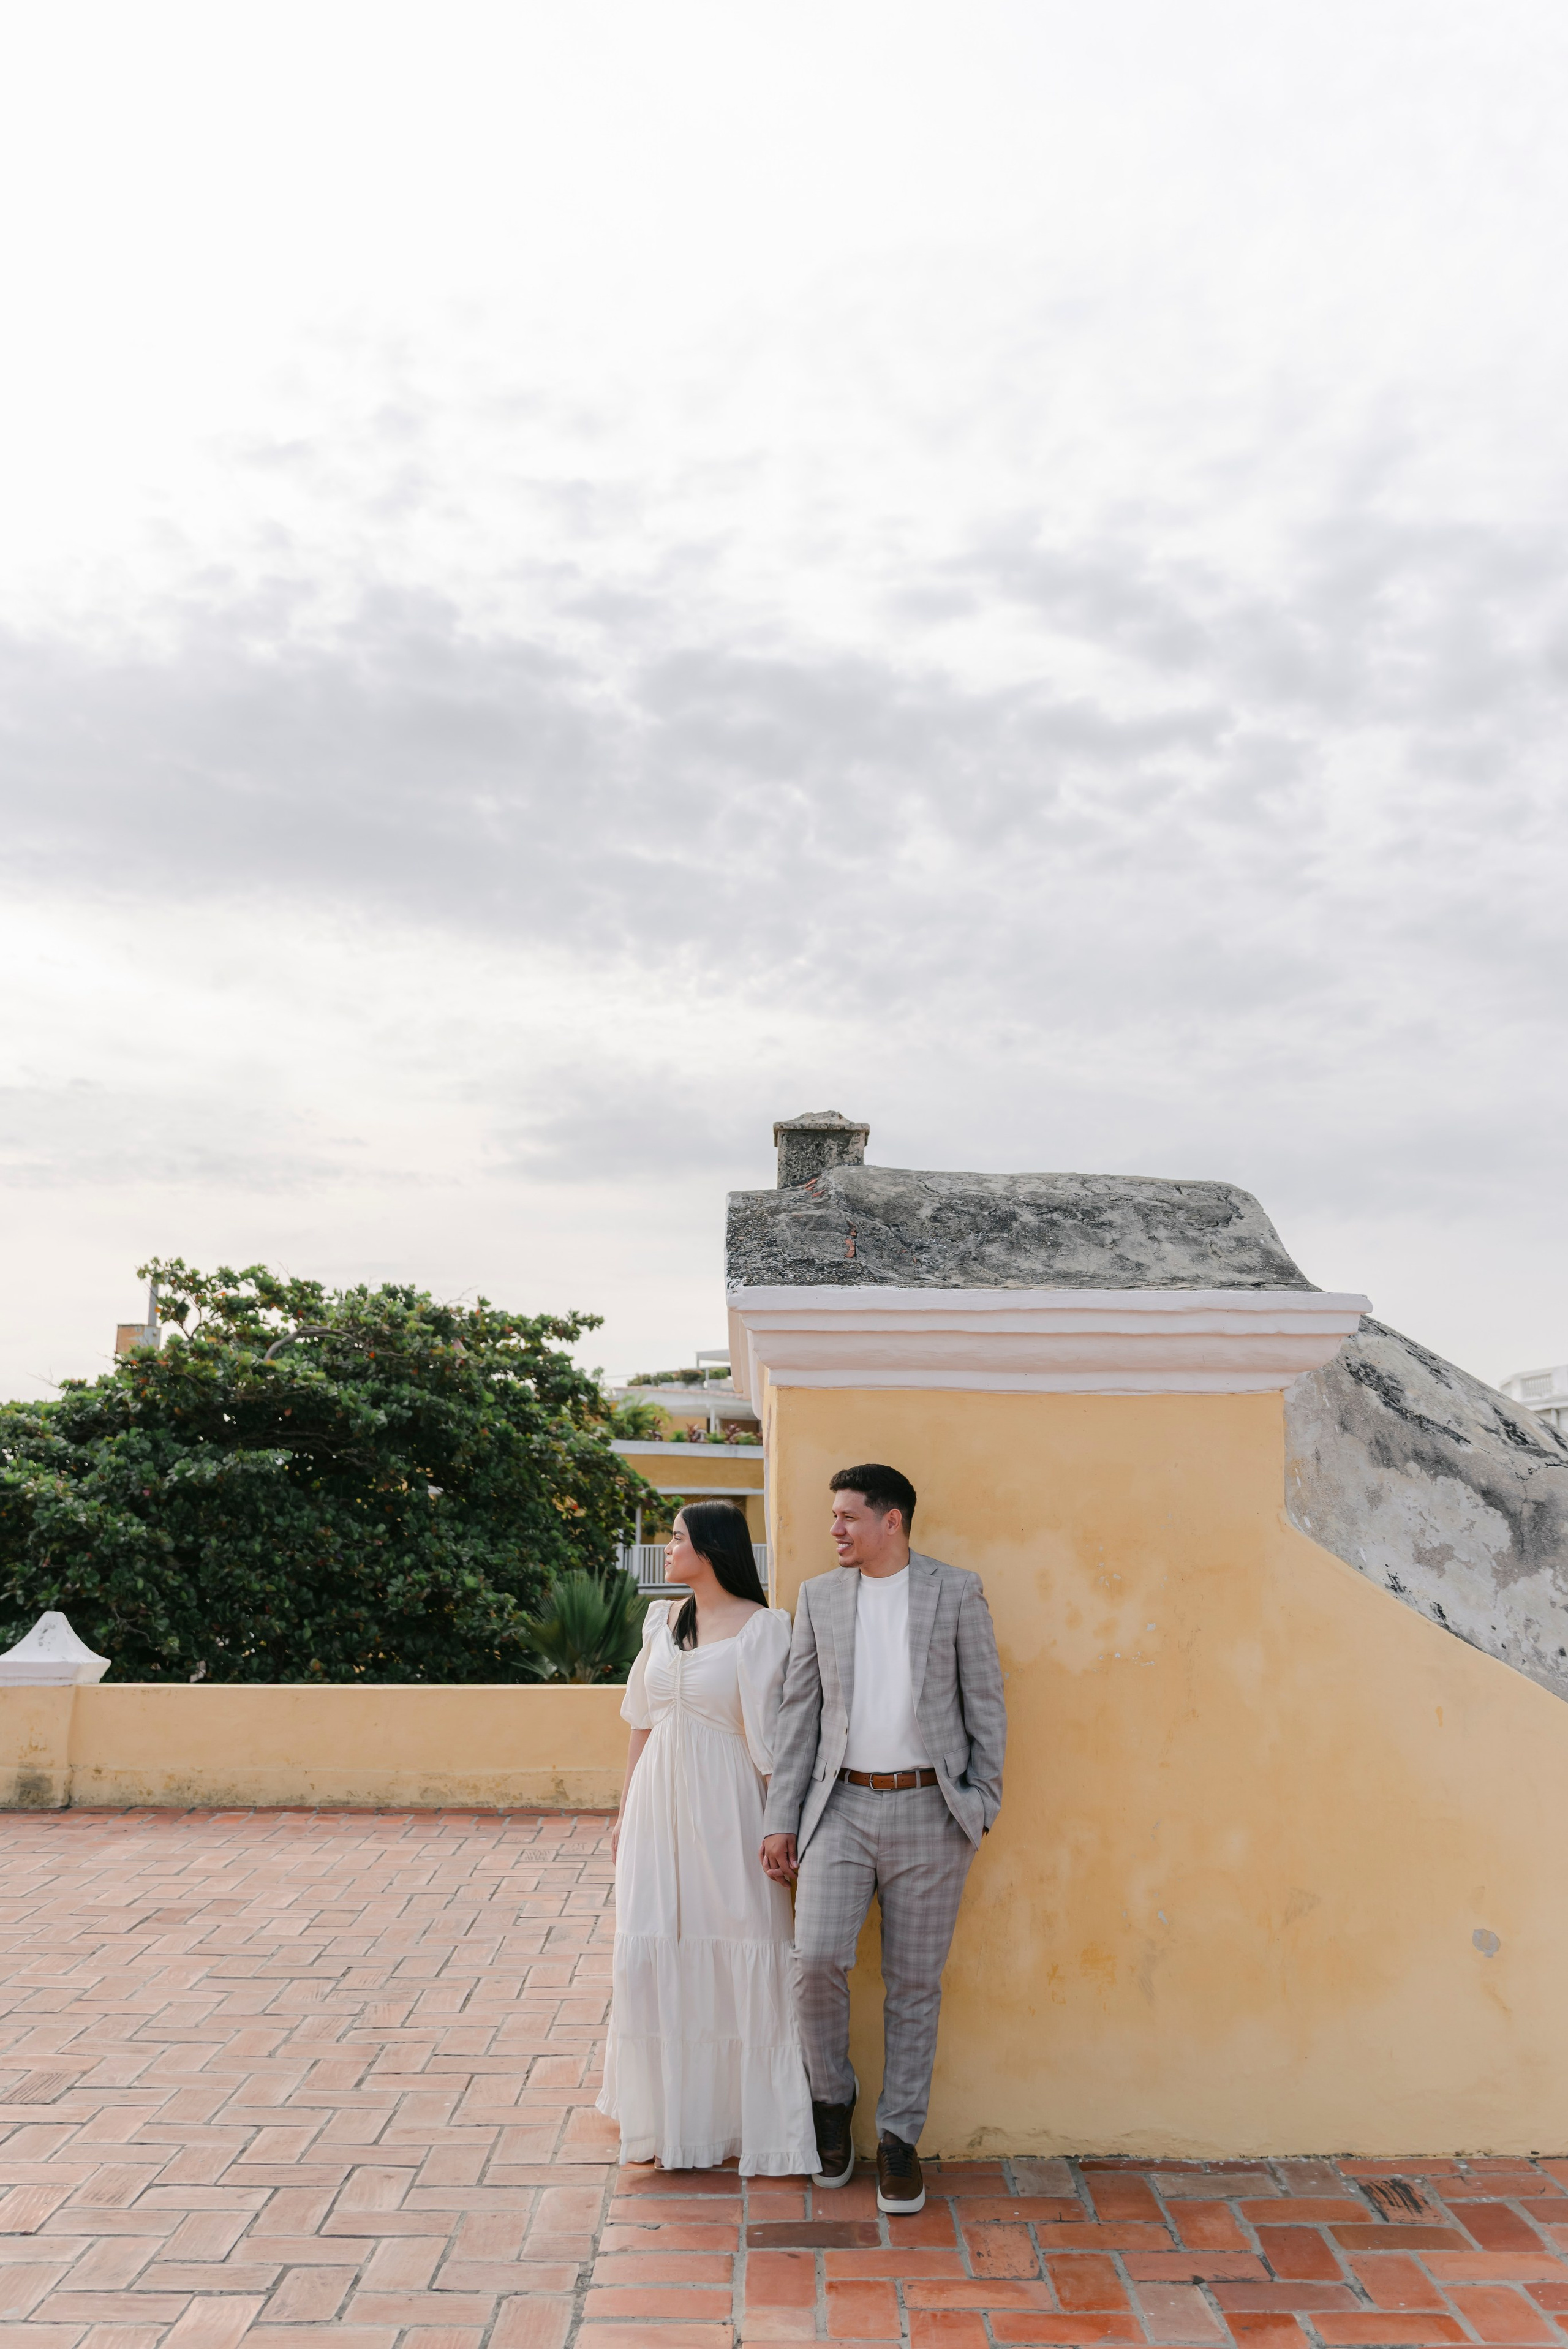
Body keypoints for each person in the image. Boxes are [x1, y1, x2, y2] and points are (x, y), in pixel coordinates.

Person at [761, 1465, 1006, 2217]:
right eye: (833, 1517)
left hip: (932, 1811)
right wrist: (781, 1815)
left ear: (890, 1521)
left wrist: (981, 1800)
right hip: (839, 1808)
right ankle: (832, 2101)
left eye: (846, 1517)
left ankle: (899, 2138)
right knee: (817, 1960)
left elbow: (985, 1701)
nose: (833, 1529)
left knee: (914, 1986)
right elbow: (798, 1714)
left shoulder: (954, 1590)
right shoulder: (818, 1597)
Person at [597, 1501, 816, 2176]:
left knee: (743, 1938)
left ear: (713, 1549)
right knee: (653, 1943)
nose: (667, 1548)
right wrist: (626, 1806)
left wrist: (780, 1822)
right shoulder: (661, 1621)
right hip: (657, 1804)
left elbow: (773, 1744)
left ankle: (743, 2121)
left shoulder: (763, 1630)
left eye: (677, 1539)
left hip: (729, 1805)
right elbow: (641, 1719)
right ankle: (668, 2116)